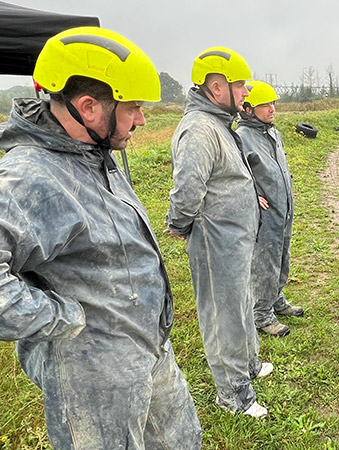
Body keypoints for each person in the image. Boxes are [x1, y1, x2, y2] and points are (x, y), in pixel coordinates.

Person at [0, 27, 202, 448]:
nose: (142, 120)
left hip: (148, 349)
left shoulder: (95, 153)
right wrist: (61, 317)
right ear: (88, 107)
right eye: (133, 108)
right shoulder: (30, 178)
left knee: (181, 439)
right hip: (92, 379)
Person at [165, 46, 272, 418]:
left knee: (240, 303)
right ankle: (232, 394)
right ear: (216, 87)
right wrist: (179, 224)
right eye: (240, 85)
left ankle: (249, 365)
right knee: (222, 315)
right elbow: (187, 189)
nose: (246, 92)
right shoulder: (198, 130)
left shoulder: (219, 125)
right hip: (216, 242)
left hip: (236, 241)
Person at [236, 81, 304, 338]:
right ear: (249, 108)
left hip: (283, 206)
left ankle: (276, 300)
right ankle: (262, 315)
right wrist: (253, 194)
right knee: (264, 261)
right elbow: (237, 174)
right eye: (265, 104)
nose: (272, 108)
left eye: (273, 103)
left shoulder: (272, 132)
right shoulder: (242, 137)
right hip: (265, 212)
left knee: (281, 254)